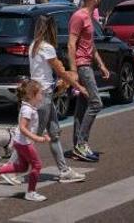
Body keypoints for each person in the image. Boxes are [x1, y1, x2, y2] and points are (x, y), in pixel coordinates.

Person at [23, 15, 87, 183]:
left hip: (41, 93)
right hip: (43, 96)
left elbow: (44, 73)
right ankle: (9, 169)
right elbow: (61, 71)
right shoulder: (47, 48)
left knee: (54, 133)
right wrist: (78, 86)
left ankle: (64, 170)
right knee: (31, 135)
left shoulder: (33, 46)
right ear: (51, 29)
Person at [0, 79, 49, 202]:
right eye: (40, 93)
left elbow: (29, 126)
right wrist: (37, 138)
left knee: (23, 167)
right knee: (37, 165)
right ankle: (31, 192)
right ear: (32, 95)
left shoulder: (29, 107)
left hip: (20, 142)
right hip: (24, 143)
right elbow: (23, 127)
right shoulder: (28, 110)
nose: (42, 96)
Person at [69, 0, 109, 162]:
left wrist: (101, 64)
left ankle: (77, 145)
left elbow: (90, 45)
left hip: (88, 64)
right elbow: (71, 44)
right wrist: (73, 70)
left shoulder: (88, 17)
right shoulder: (79, 16)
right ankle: (81, 143)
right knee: (96, 103)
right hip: (82, 65)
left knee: (83, 106)